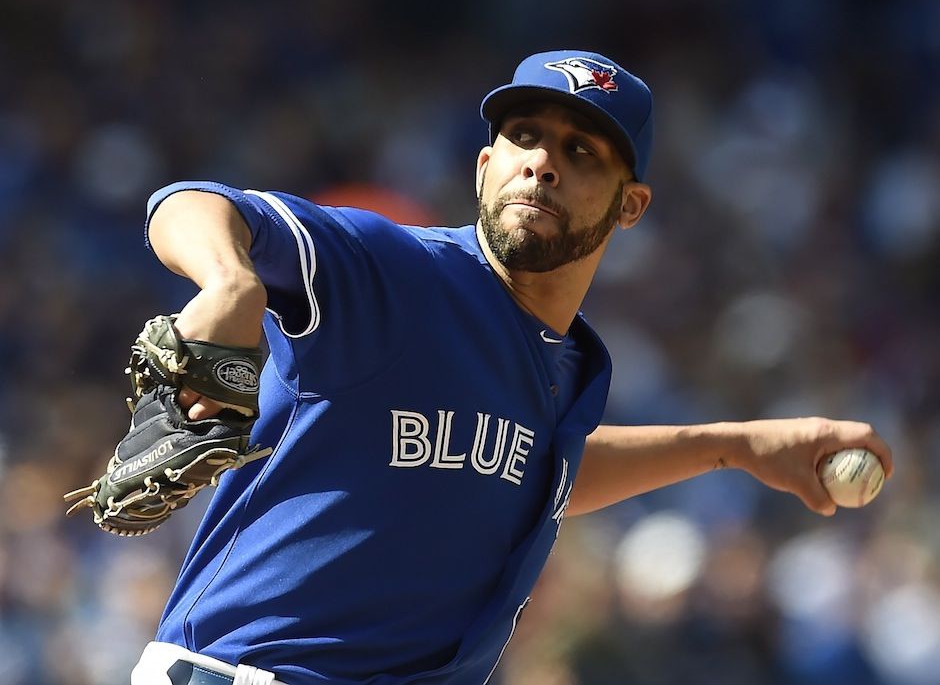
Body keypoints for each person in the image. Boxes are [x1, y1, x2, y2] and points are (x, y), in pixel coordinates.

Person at [129, 50, 894, 685]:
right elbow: (191, 202)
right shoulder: (399, 271)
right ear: (486, 165)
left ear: (630, 206)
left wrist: (732, 445)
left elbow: (531, 469)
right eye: (525, 137)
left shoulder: (571, 366)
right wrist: (230, 281)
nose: (543, 165)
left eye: (580, 151)